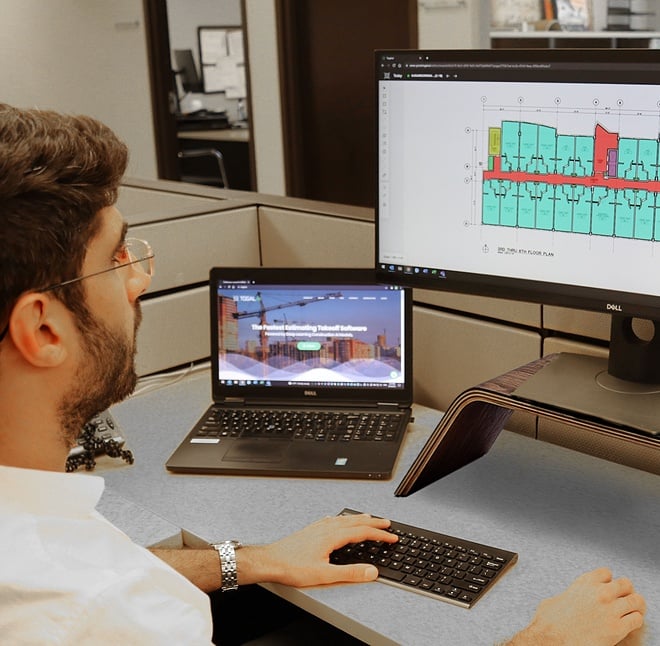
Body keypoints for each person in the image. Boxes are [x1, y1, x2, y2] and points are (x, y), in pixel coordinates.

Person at [0, 103, 646, 645]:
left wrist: (248, 560)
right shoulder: (94, 616)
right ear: (44, 329)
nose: (140, 278)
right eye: (117, 260)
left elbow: (96, 562)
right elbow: (94, 591)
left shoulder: (40, 542)